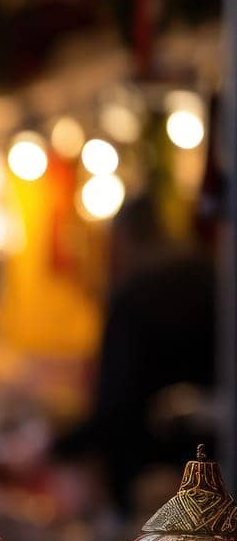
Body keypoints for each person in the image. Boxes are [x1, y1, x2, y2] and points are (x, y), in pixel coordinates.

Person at [54, 196, 216, 514]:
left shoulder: (133, 299)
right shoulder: (211, 279)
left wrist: (58, 446)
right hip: (215, 479)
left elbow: (115, 405)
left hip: (148, 487)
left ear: (126, 240)